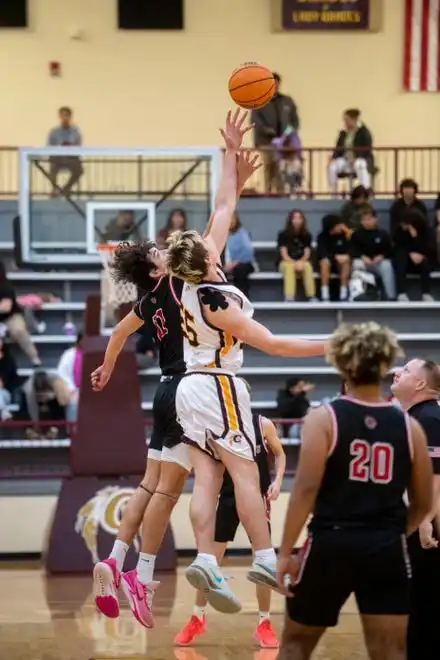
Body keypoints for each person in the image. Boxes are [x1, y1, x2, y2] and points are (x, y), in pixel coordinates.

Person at [90, 110, 260, 628]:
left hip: (165, 393)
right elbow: (223, 207)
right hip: (195, 391)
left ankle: (114, 560)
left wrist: (106, 367)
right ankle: (141, 574)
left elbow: (118, 334)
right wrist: (230, 156)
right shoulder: (192, 279)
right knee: (171, 490)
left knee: (150, 485)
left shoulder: (149, 298)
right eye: (160, 249)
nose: (168, 247)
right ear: (158, 265)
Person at [166, 129, 326, 616]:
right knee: (246, 476)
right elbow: (274, 346)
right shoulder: (218, 300)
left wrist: (232, 157)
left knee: (207, 481)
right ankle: (262, 557)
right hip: (219, 385)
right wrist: (333, 346)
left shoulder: (189, 280)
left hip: (189, 388)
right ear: (210, 257)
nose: (217, 235)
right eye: (211, 242)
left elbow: (221, 206)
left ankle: (207, 562)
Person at [276, 322, 433, 660]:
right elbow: (423, 502)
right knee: (390, 651)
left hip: (331, 542)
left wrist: (285, 552)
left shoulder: (324, 418)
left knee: (294, 646)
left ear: (341, 364)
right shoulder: (410, 427)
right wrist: (392, 533)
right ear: (383, 365)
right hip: (385, 547)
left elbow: (304, 490)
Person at [175, 407, 286, 649]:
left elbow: (279, 453)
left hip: (256, 497)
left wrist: (278, 481)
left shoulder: (262, 424)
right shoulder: (216, 425)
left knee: (262, 561)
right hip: (227, 498)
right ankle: (197, 617)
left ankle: (264, 623)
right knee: (209, 561)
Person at [391, 359, 440, 660]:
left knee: (425, 606)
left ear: (421, 384)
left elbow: (435, 473)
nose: (397, 371)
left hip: (429, 528)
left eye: (406, 370)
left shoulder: (429, 419)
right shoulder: (415, 417)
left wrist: (424, 520)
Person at [251, 72, 299, 193]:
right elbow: (255, 121)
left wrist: (289, 133)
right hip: (266, 142)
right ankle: (267, 192)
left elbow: (295, 121)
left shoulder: (287, 101)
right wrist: (269, 132)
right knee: (269, 166)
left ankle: (281, 193)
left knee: (281, 168)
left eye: (276, 84)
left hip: (284, 142)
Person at [350, 207, 396, 300]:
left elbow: (390, 250)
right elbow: (352, 250)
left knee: (387, 265)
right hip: (364, 263)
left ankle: (391, 296)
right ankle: (357, 294)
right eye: (364, 220)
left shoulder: (383, 233)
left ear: (375, 219)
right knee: (356, 263)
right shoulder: (356, 234)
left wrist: (381, 256)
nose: (366, 222)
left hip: (378, 263)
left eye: (369, 219)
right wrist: (362, 257)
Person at [0, 262, 41, 366]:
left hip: (10, 316)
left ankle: (34, 357)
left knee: (19, 330)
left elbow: (6, 307)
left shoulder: (5, 286)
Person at [328, 109, 373, 194]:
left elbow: (367, 147)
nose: (345, 123)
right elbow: (338, 148)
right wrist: (333, 157)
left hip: (361, 159)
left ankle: (366, 191)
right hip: (345, 160)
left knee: (359, 165)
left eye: (347, 120)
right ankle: (334, 193)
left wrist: (356, 158)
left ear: (354, 120)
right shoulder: (343, 133)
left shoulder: (363, 132)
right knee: (332, 167)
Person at [392, 210, 433, 302]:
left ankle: (426, 293)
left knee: (425, 261)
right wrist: (410, 253)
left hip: (419, 262)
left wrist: (415, 237)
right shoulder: (400, 231)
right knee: (400, 256)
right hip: (404, 262)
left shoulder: (425, 231)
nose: (402, 225)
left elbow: (428, 249)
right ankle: (401, 293)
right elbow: (396, 248)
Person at [277, 209, 316, 302]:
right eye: (294, 218)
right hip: (285, 262)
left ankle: (311, 296)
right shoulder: (283, 235)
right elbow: (284, 254)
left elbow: (307, 253)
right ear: (290, 220)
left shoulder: (307, 235)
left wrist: (301, 262)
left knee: (308, 266)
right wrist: (294, 263)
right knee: (289, 267)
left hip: (301, 262)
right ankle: (289, 296)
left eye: (300, 218)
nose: (297, 221)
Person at [47, 106, 83, 197]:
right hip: (57, 157)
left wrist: (70, 147)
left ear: (70, 117)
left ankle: (66, 189)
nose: (65, 118)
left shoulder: (75, 132)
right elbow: (49, 145)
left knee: (79, 170)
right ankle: (54, 189)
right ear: (59, 117)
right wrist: (59, 147)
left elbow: (79, 145)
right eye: (63, 116)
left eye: (67, 116)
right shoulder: (54, 132)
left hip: (71, 157)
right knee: (52, 167)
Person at [317, 215, 351, 302]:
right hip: (327, 263)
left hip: (340, 264)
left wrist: (348, 233)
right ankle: (325, 294)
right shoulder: (322, 237)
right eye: (338, 225)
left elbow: (353, 250)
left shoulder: (344, 235)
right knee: (324, 262)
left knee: (346, 262)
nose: (341, 227)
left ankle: (343, 293)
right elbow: (322, 253)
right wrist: (335, 257)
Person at [224, 211, 255, 298]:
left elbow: (248, 252)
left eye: (233, 218)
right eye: (228, 218)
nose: (231, 221)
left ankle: (242, 301)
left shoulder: (242, 233)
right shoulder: (219, 234)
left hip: (241, 263)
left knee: (240, 270)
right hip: (224, 265)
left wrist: (234, 263)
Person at [56, 331, 84, 422]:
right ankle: (72, 432)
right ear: (79, 340)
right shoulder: (69, 354)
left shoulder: (99, 354)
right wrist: (72, 389)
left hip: (95, 390)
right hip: (74, 389)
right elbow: (62, 373)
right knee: (73, 400)